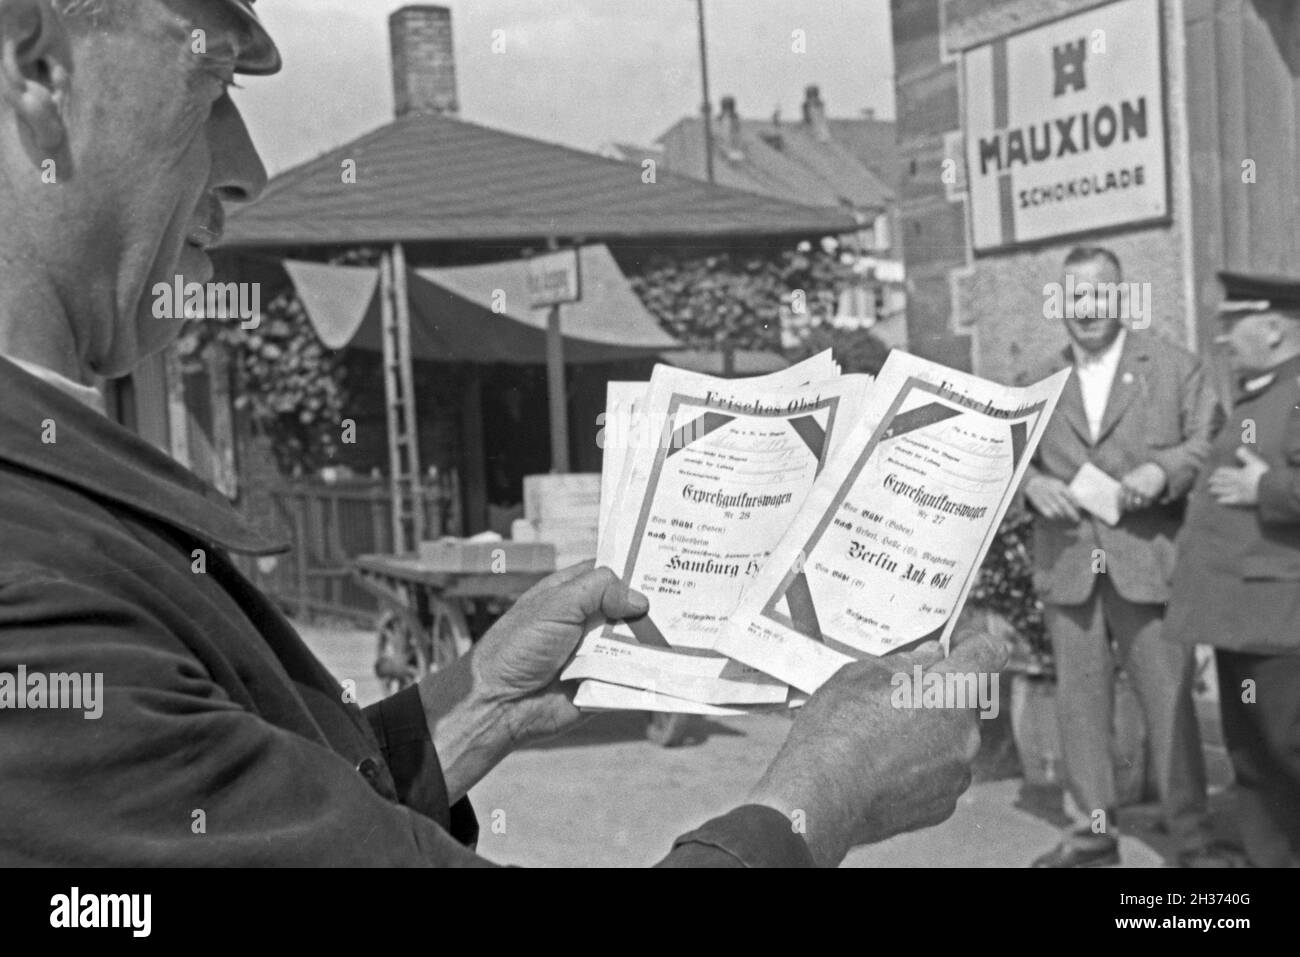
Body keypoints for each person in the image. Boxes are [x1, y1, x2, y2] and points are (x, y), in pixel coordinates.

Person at [0, 0, 1005, 867]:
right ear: (35, 67)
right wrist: (817, 798)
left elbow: (271, 813)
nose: (247, 168)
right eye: (209, 77)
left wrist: (478, 701)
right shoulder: (26, 600)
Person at [1022, 246, 1219, 867]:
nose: (1085, 309)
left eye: (1098, 295)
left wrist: (1164, 472)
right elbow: (1004, 460)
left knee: (1168, 702)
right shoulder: (1035, 382)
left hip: (1146, 558)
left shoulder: (1173, 366)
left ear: (1121, 297)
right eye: (1073, 297)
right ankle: (1092, 835)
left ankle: (1190, 837)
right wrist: (1032, 486)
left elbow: (1208, 440)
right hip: (1070, 563)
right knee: (1080, 706)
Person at [1164, 271, 1300, 868]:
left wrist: (1264, 486)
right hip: (1243, 618)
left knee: (1287, 752)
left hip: (1281, 622)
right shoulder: (1261, 392)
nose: (1221, 339)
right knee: (1256, 764)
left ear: (1273, 327)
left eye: (1232, 323)